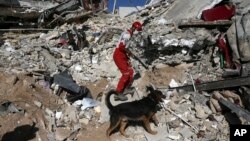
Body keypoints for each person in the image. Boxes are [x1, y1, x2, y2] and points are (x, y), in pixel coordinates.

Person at [113, 21, 143, 101]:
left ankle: (126, 88)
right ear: (133, 28)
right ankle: (118, 93)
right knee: (126, 74)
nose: (137, 32)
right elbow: (121, 47)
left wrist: (127, 55)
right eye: (137, 30)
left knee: (131, 71)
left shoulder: (129, 34)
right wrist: (129, 52)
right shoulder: (127, 35)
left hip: (123, 55)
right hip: (118, 55)